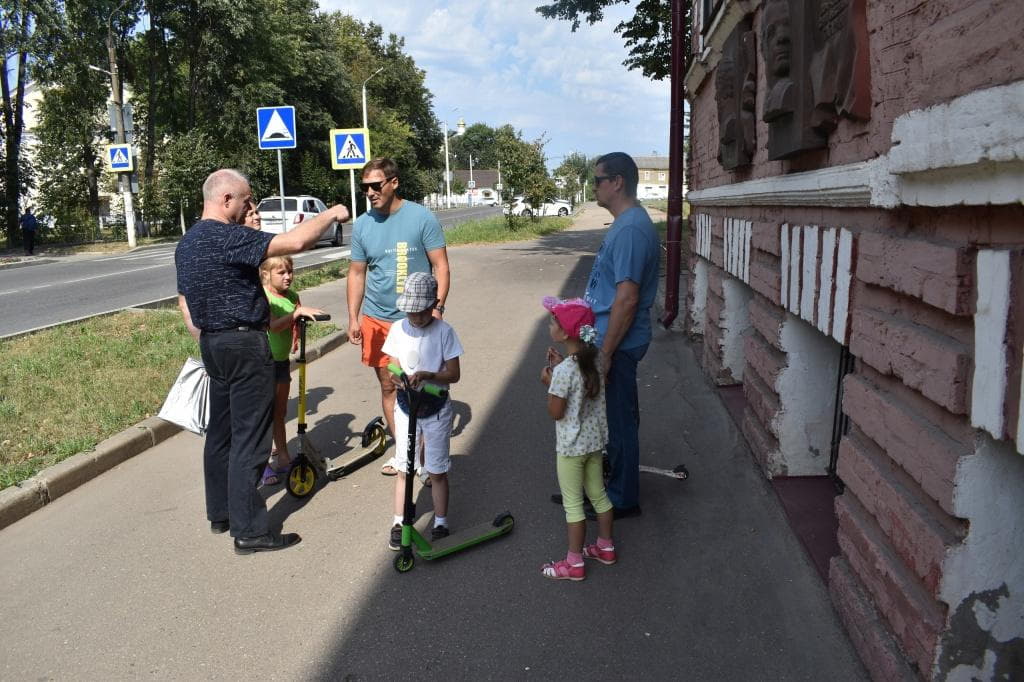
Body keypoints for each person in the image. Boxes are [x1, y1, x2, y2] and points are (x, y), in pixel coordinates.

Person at [175, 168, 349, 554]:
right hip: (244, 344)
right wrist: (331, 213)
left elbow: (185, 301)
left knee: (221, 434)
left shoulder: (186, 244)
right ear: (225, 200)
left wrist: (208, 336)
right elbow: (297, 241)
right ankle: (250, 530)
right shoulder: (228, 236)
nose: (250, 206)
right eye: (246, 199)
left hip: (213, 345)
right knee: (251, 439)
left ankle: (221, 513)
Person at [346, 157, 450, 476]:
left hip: (417, 320)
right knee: (389, 386)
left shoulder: (421, 217)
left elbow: (441, 267)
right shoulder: (362, 225)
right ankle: (405, 454)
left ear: (393, 183)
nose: (370, 192)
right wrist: (353, 317)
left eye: (375, 185)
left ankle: (427, 459)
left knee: (421, 387)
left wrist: (437, 308)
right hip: (376, 318)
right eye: (365, 187)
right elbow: (357, 273)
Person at [582, 152, 660, 519]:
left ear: (617, 182)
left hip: (619, 343)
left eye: (598, 180)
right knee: (614, 417)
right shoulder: (625, 223)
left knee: (620, 420)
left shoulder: (630, 229)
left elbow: (627, 299)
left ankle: (622, 498)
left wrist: (606, 353)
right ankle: (613, 483)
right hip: (611, 340)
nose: (593, 186)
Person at [380, 271, 462, 550]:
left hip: (436, 408)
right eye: (411, 312)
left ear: (434, 305)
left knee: (436, 471)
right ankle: (399, 521)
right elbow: (392, 364)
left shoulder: (444, 332)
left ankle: (440, 522)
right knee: (405, 467)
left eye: (422, 311)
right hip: (407, 407)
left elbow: (454, 374)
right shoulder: (398, 329)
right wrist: (398, 376)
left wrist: (429, 376)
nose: (415, 318)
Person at [539, 296, 615, 581]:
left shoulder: (563, 373)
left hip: (571, 448)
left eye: (553, 322)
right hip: (594, 443)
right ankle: (605, 547)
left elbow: (556, 412)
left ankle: (574, 563)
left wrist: (550, 383)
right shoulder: (596, 360)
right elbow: (586, 386)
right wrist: (561, 368)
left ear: (565, 333)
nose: (550, 325)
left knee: (572, 504)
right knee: (599, 495)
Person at [259, 255, 325, 486]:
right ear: (266, 274)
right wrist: (296, 314)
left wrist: (298, 327)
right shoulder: (263, 297)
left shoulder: (293, 296)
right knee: (263, 415)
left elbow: (295, 321)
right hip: (263, 363)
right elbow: (274, 326)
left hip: (281, 362)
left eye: (290, 271)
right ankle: (262, 463)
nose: (288, 276)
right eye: (281, 272)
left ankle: (283, 457)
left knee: (279, 412)